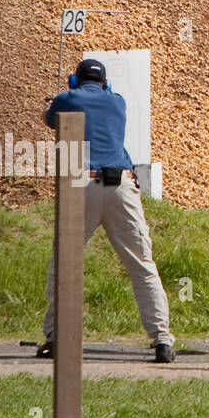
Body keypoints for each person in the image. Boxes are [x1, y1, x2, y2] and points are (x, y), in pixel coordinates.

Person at [39, 58, 175, 363]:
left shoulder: (66, 99)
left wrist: (54, 103)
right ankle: (162, 339)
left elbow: (50, 119)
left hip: (80, 185)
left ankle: (56, 337)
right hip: (121, 185)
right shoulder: (118, 101)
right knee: (142, 265)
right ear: (106, 83)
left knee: (63, 265)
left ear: (76, 81)